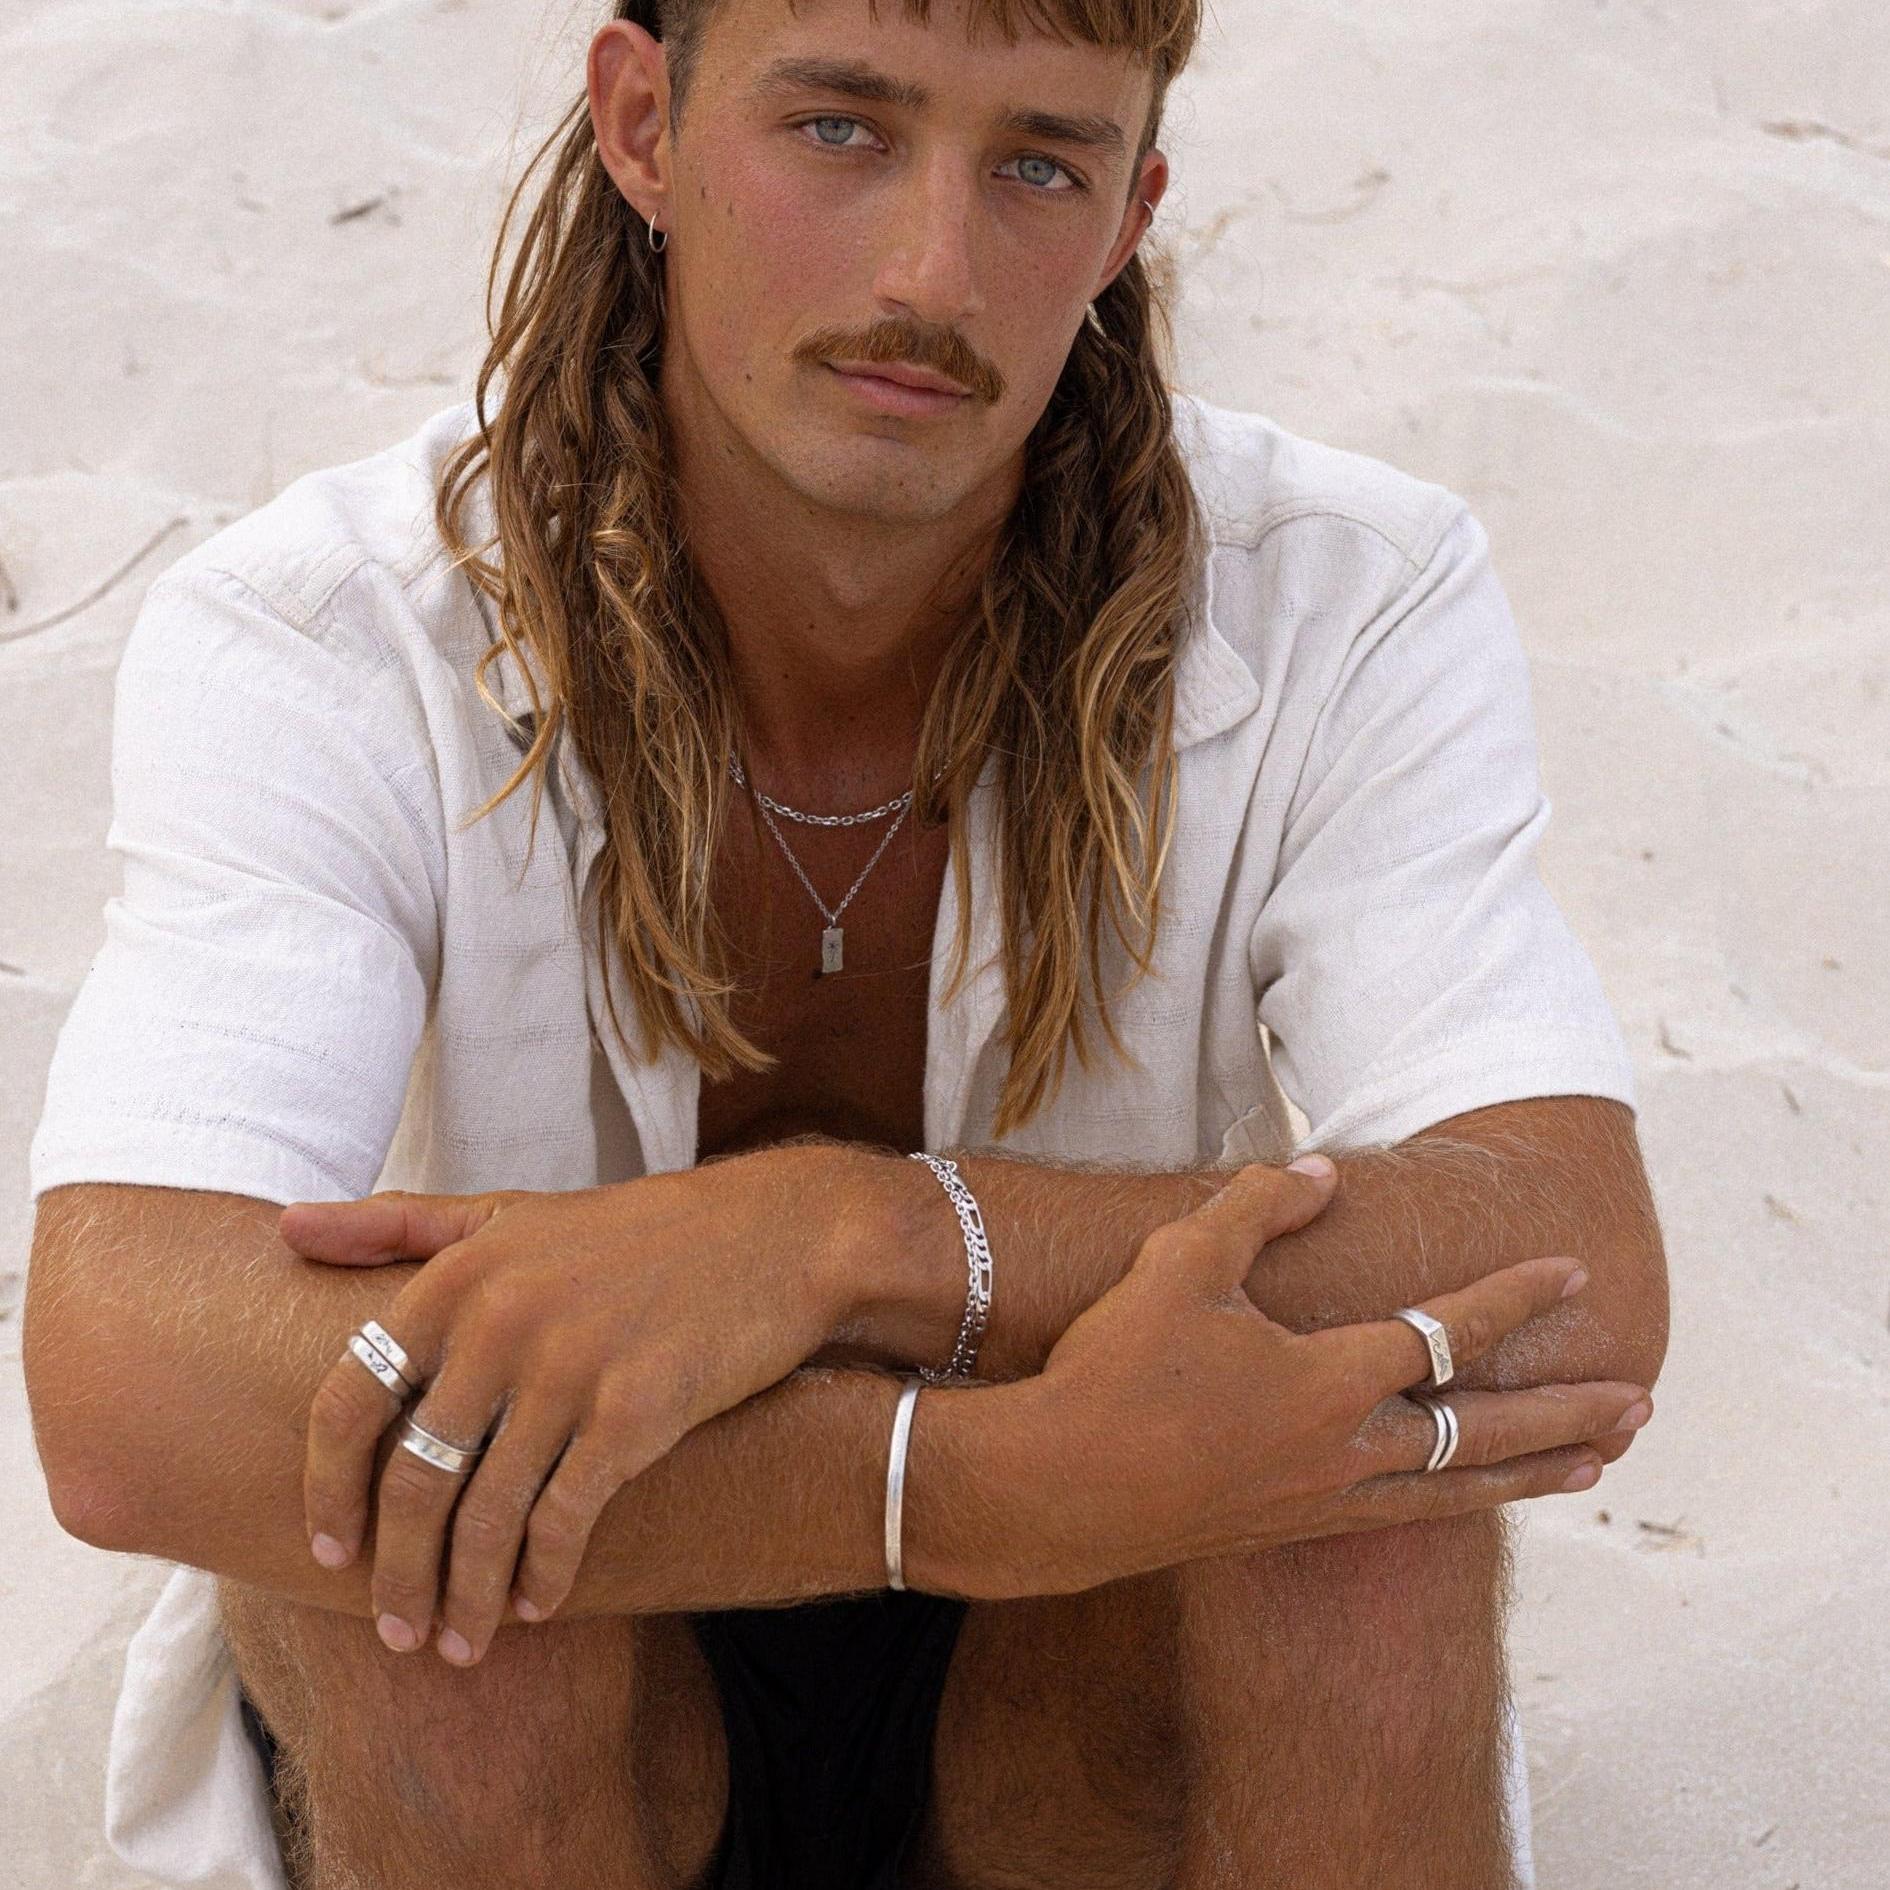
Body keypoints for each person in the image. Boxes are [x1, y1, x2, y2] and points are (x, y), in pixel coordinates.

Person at [21, 0, 1668, 1884]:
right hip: (594, 1649)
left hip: (1090, 1674)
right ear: (643, 124)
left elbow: (1572, 1260)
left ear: (1127, 217)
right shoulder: (333, 633)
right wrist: (942, 1488)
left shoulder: (1343, 596)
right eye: (839, 130)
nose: (930, 275)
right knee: (438, 1552)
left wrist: (848, 1234)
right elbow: (128, 1383)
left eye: (1036, 164)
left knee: (1351, 1501)